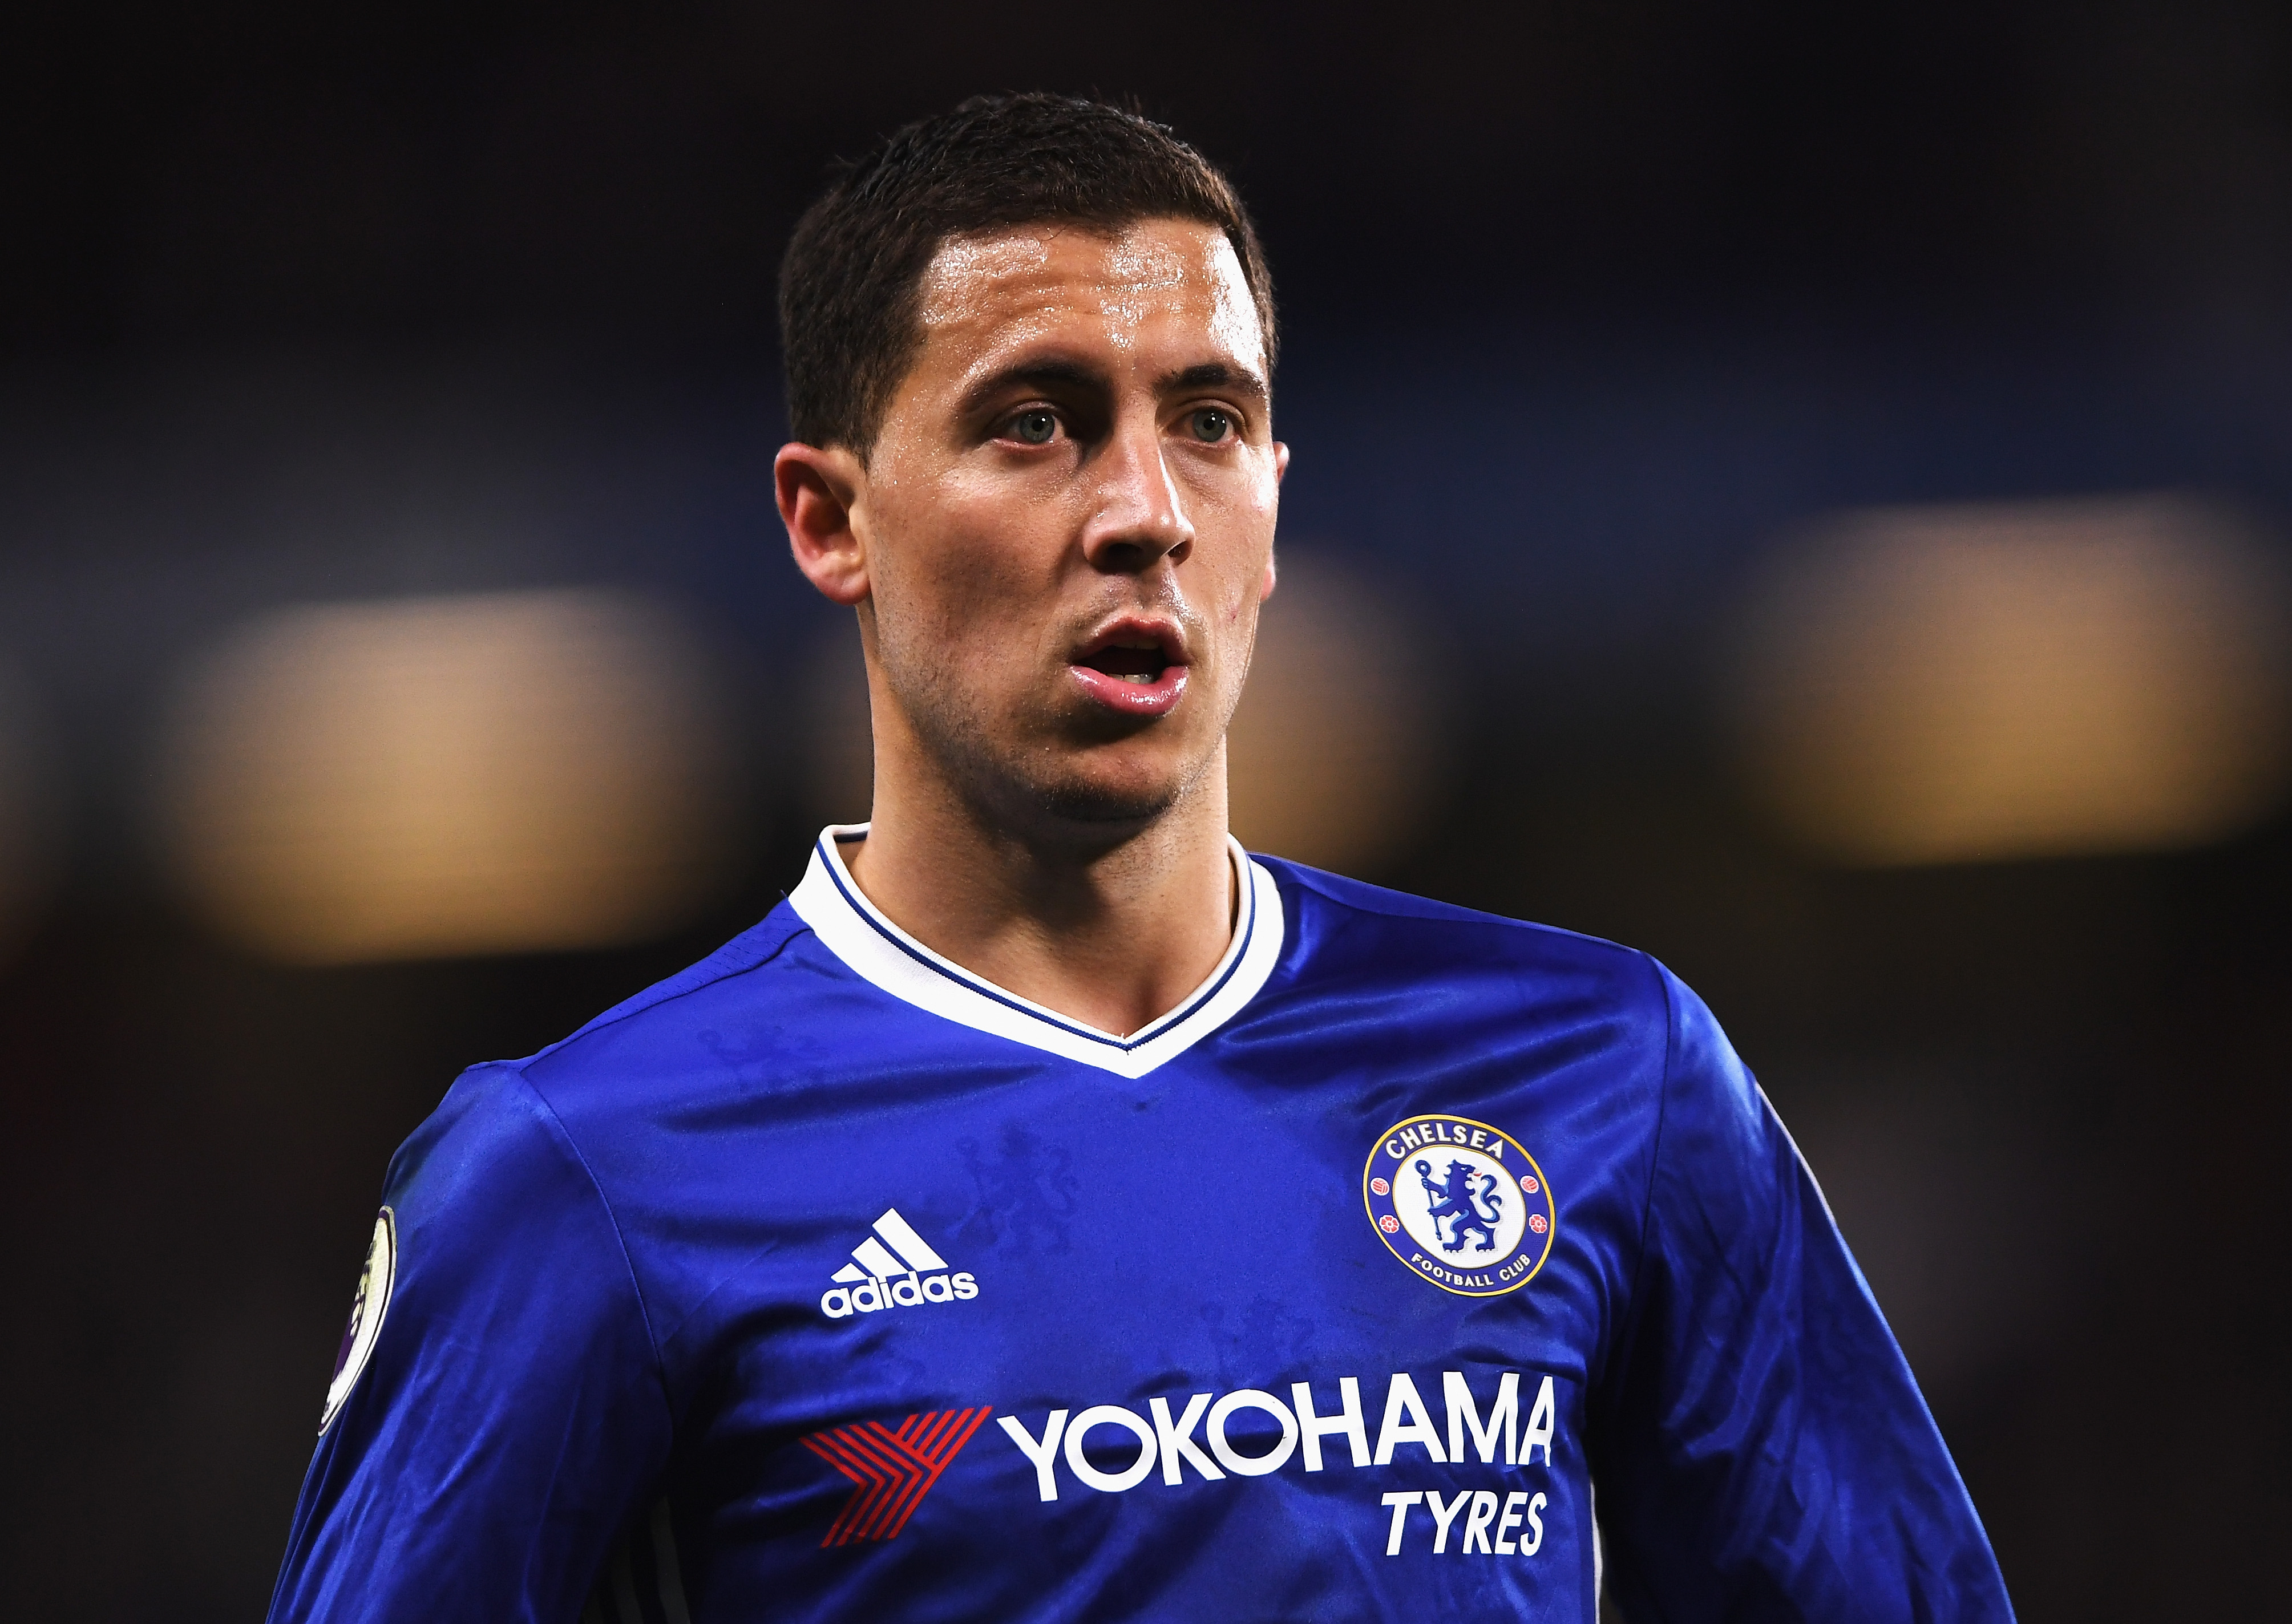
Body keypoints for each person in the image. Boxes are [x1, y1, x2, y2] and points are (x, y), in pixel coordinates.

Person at [266, 94, 2012, 1623]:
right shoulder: (592, 1171)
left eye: (1207, 418)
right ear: (831, 518)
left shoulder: (1598, 1069)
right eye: (1033, 420)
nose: (1143, 509)